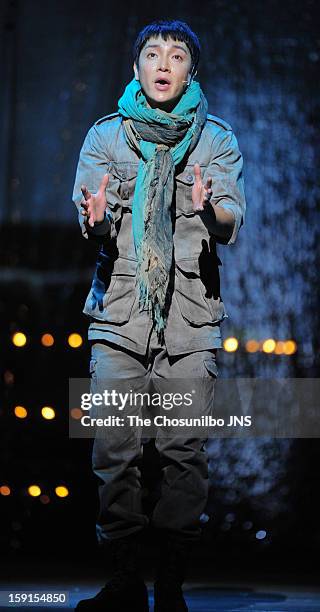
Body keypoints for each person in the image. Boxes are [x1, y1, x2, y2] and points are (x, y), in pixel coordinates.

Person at [72, 19, 246, 612]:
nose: (163, 63)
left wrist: (211, 211)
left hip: (189, 320)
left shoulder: (215, 140)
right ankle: (124, 580)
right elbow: (90, 223)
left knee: (183, 452)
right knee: (113, 449)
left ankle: (170, 582)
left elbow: (230, 223)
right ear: (138, 66)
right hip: (119, 315)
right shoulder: (106, 138)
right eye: (152, 53)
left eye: (176, 55)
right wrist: (95, 220)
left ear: (191, 70)